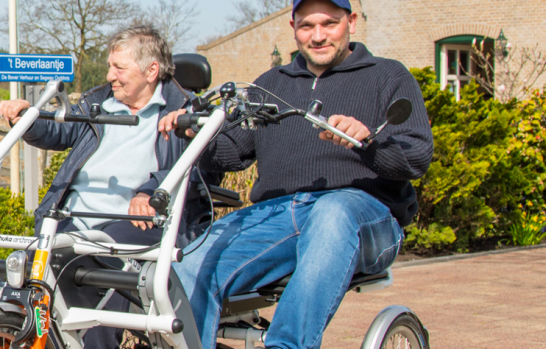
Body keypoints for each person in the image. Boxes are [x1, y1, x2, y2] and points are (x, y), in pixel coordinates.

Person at [158, 0, 432, 348]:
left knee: (333, 213)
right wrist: (195, 135)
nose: (317, 36)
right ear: (293, 27)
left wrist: (368, 142)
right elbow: (232, 152)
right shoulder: (270, 84)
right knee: (189, 263)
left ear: (352, 22)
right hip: (279, 215)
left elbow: (417, 158)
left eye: (329, 24)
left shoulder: (388, 76)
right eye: (306, 26)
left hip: (364, 214)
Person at [0, 25, 213, 349]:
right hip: (74, 217)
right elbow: (60, 132)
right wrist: (27, 118)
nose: (110, 75)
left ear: (151, 70)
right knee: (17, 281)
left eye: (119, 68)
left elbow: (190, 165)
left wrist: (150, 193)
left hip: (132, 225)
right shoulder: (99, 101)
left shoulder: (182, 111)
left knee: (103, 296)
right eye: (110, 66)